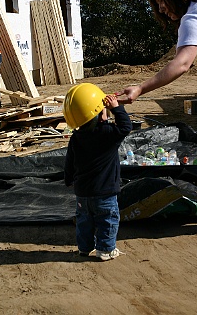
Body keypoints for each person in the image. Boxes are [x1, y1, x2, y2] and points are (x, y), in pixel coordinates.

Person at [63, 83, 132, 261]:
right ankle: (106, 250)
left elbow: (69, 161)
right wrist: (117, 108)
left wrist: (68, 179)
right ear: (100, 115)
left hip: (83, 193)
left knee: (84, 222)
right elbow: (125, 127)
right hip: (105, 194)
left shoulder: (76, 138)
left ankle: (84, 248)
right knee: (107, 221)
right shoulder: (108, 134)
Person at [116, 0, 197, 103]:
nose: (160, 9)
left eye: (161, 0)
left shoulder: (192, 17)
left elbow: (182, 64)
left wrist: (140, 88)